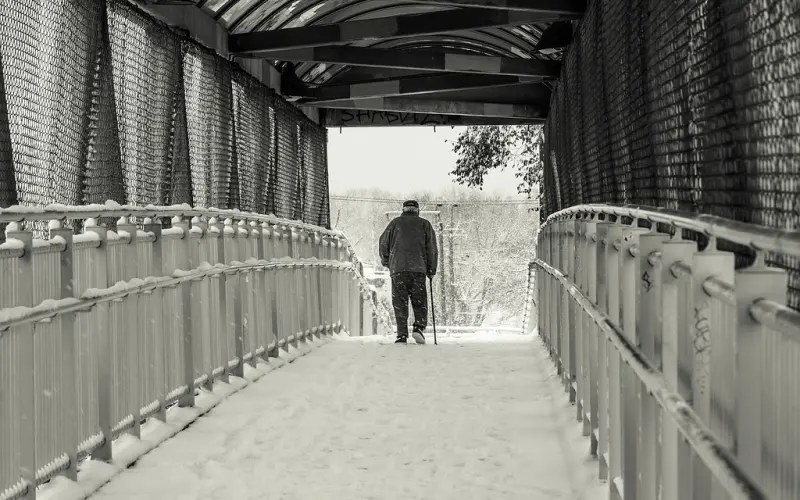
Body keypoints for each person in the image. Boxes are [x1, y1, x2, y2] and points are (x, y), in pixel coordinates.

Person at [379, 200, 438, 344]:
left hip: (398, 269)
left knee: (400, 302)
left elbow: (383, 243)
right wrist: (431, 269)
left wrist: (387, 261)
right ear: (417, 210)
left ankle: (401, 334)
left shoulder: (394, 224)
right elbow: (432, 249)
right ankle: (418, 328)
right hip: (418, 269)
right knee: (419, 301)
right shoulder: (425, 225)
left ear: (404, 210)